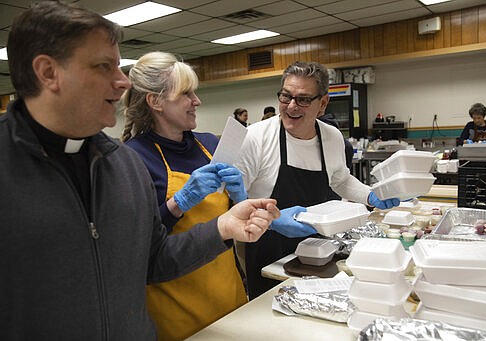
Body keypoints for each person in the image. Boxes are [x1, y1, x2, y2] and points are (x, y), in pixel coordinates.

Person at [0, 1, 279, 339]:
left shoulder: (122, 164)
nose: (122, 82)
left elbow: (154, 261)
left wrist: (222, 226)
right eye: (105, 66)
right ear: (48, 72)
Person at [235, 61, 400, 299]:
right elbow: (233, 198)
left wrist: (370, 195)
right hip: (266, 249)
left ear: (322, 104)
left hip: (317, 249)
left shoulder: (331, 136)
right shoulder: (255, 137)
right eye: (285, 96)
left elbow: (341, 180)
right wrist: (272, 220)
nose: (291, 106)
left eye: (303, 99)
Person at [121, 51, 248, 340]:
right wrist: (177, 203)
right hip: (175, 302)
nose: (197, 101)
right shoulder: (133, 158)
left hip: (227, 288)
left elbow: (233, 221)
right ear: (156, 102)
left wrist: (241, 198)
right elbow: (138, 247)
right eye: (186, 94)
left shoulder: (210, 144)